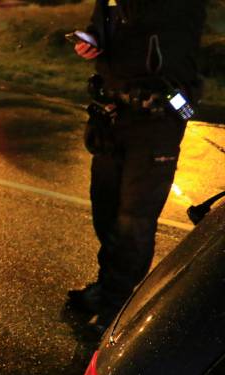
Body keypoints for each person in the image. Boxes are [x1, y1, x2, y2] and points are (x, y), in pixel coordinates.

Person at [66, 0, 207, 334]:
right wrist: (92, 43)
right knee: (106, 209)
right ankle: (107, 286)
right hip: (112, 115)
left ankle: (118, 307)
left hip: (157, 122)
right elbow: (103, 29)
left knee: (134, 220)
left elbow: (149, 30)